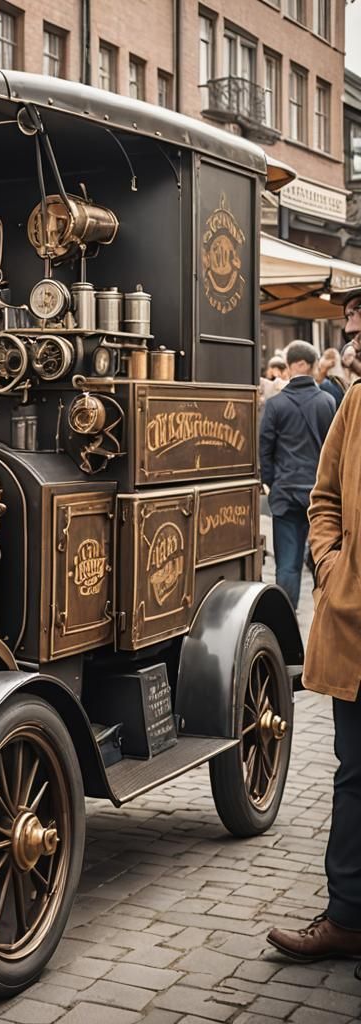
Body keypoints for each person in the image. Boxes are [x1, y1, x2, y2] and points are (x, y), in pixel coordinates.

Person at [267, 369, 361, 962]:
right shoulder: (356, 399)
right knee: (354, 776)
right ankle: (347, 917)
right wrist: (330, 565)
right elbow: (324, 498)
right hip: (357, 623)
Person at [259, 340, 335, 611]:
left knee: (288, 567)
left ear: (292, 366)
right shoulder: (328, 402)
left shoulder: (276, 404)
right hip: (321, 497)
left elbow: (264, 448)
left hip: (285, 492)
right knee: (324, 562)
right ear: (305, 365)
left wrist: (271, 482)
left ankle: (286, 624)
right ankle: (324, 620)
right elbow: (335, 452)